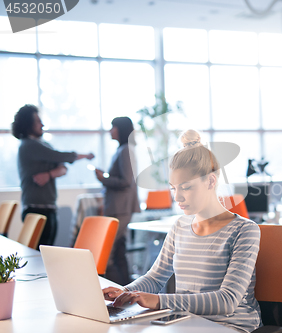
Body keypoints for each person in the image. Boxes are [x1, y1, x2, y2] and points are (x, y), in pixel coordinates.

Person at [102, 129, 262, 333]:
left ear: (211, 181)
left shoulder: (244, 230)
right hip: (187, 323)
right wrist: (125, 292)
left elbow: (227, 300)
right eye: (173, 188)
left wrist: (158, 301)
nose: (177, 197)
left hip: (230, 326)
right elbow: (155, 278)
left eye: (185, 187)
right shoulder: (180, 226)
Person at [12, 104, 94, 247]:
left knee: (45, 251)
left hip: (48, 206)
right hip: (36, 208)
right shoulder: (29, 145)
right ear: (28, 124)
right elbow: (60, 157)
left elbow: (63, 168)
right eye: (38, 121)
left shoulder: (44, 144)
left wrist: (49, 174)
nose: (42, 124)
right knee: (40, 253)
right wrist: (85, 155)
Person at [94, 117, 140, 286]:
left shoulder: (125, 150)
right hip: (118, 207)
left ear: (120, 129)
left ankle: (115, 291)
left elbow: (126, 181)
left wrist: (103, 179)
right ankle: (127, 289)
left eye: (113, 127)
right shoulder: (123, 149)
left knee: (109, 254)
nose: (110, 131)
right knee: (119, 252)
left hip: (120, 209)